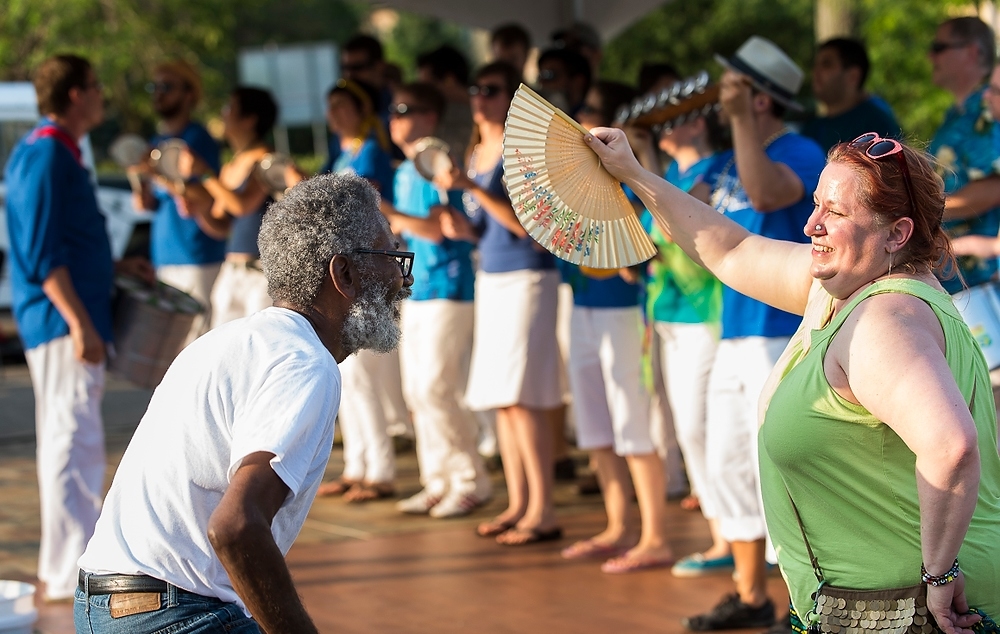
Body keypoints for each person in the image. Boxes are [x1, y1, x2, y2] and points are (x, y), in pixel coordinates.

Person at [585, 123, 1000, 633]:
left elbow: (951, 447)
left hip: (904, 610)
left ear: (897, 232)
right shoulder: (846, 285)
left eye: (836, 213)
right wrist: (633, 172)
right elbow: (730, 249)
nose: (811, 226)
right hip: (886, 600)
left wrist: (938, 577)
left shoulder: (884, 321)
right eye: (817, 204)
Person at [75, 173, 415, 633]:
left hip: (106, 602)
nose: (401, 277)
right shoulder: (307, 365)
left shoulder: (232, 339)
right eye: (391, 257)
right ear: (345, 275)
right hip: (170, 613)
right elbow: (236, 525)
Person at [681, 36, 827, 629]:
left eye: (734, 88)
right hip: (735, 330)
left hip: (782, 330)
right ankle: (749, 595)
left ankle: (805, 602)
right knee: (726, 463)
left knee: (785, 465)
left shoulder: (802, 149)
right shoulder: (720, 163)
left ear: (761, 98)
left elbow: (768, 194)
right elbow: (683, 229)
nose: (721, 98)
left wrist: (743, 120)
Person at [4, 54, 154, 603]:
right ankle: (69, 570)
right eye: (94, 87)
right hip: (61, 321)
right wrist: (78, 321)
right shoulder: (46, 154)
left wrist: (114, 268)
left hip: (67, 316)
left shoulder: (56, 152)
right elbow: (43, 253)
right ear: (74, 94)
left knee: (76, 438)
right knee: (71, 440)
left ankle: (70, 564)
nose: (100, 97)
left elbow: (62, 243)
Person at [436, 62, 563, 545]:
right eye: (475, 89)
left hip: (528, 276)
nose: (480, 98)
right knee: (502, 401)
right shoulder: (474, 152)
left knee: (522, 397)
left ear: (512, 97)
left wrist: (470, 191)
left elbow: (529, 227)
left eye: (490, 90)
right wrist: (461, 226)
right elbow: (486, 228)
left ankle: (543, 509)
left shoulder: (522, 152)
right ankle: (519, 502)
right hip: (491, 275)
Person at [556, 81, 676, 573]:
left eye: (594, 121)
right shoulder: (575, 183)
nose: (585, 133)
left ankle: (654, 536)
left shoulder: (635, 180)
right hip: (580, 305)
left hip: (625, 310)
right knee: (596, 425)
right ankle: (616, 526)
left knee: (632, 422)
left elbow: (650, 247)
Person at [379, 82, 492, 518]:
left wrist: (386, 211)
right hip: (418, 290)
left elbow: (437, 228)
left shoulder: (436, 163)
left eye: (405, 110)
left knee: (436, 388)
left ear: (430, 117)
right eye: (393, 110)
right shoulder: (407, 170)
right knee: (416, 392)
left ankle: (470, 480)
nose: (396, 119)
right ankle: (437, 479)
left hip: (449, 287)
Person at [642, 111, 731, 580]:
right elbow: (644, 236)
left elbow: (675, 229)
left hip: (706, 316)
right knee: (689, 427)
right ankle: (723, 534)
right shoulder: (671, 174)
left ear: (698, 125)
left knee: (703, 427)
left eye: (674, 119)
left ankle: (732, 537)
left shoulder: (720, 169)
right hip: (669, 314)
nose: (661, 126)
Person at [316, 77, 405, 503]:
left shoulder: (371, 152)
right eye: (329, 106)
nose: (334, 114)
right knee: (348, 377)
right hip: (347, 271)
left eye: (341, 106)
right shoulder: (343, 153)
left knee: (364, 374)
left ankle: (380, 469)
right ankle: (358, 464)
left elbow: (370, 212)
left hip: (366, 270)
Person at [133, 60, 227, 346]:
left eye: (166, 87)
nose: (158, 93)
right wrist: (141, 185)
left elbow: (210, 197)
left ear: (189, 94)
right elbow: (150, 203)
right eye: (155, 87)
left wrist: (159, 177)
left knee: (199, 345)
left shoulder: (198, 139)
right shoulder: (157, 139)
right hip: (164, 258)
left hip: (197, 258)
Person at [178, 87, 280, 326]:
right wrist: (199, 211)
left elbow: (243, 206)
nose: (223, 115)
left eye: (229, 108)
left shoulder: (266, 158)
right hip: (232, 269)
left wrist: (204, 174)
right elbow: (221, 225)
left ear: (249, 119)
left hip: (261, 272)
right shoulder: (230, 165)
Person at [928, 17, 1000, 294]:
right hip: (960, 281)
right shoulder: (958, 115)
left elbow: (995, 186)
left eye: (939, 47)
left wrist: (922, 212)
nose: (930, 56)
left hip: (984, 281)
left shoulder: (989, 109)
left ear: (971, 52)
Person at [800, 38, 902, 153]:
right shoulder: (812, 129)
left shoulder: (876, 125)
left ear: (853, 76)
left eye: (826, 65)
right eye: (815, 65)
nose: (816, 72)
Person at [416, 45, 473, 164]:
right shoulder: (442, 115)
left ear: (449, 80)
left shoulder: (486, 112)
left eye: (428, 86)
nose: (425, 95)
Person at [536, 48, 592, 116]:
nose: (542, 83)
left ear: (578, 81)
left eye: (550, 75)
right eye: (541, 76)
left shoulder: (590, 119)